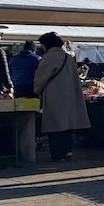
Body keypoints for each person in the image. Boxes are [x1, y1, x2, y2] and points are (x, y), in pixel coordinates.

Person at [33, 32, 90, 162]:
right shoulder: (68, 58)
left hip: (54, 96)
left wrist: (37, 91)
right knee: (67, 125)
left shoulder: (47, 59)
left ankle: (57, 154)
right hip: (69, 95)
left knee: (54, 126)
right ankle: (68, 151)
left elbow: (40, 79)